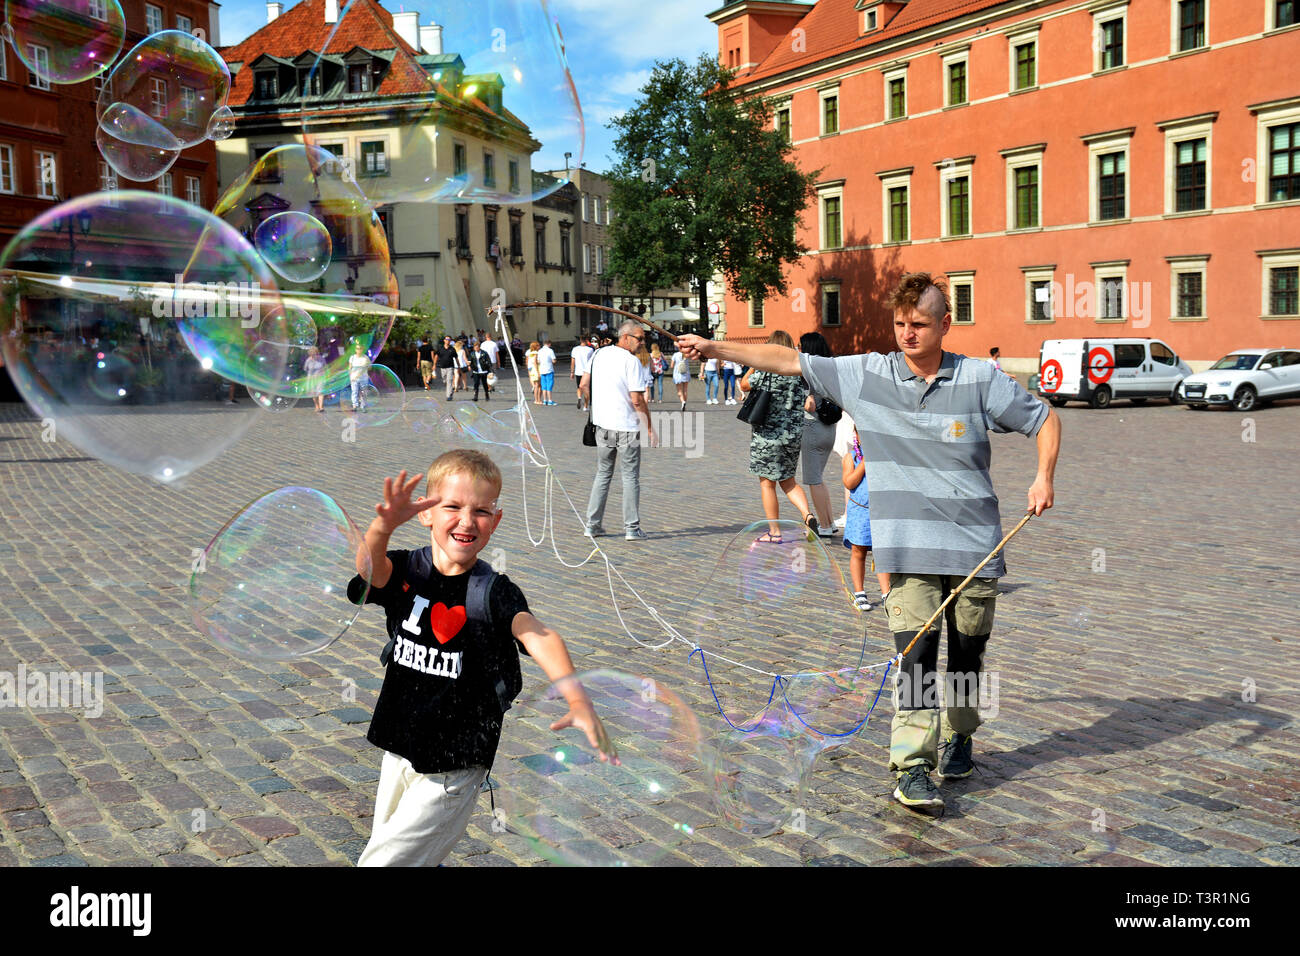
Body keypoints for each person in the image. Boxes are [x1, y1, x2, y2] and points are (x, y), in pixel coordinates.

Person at [678, 271, 1060, 812]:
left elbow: (1045, 420)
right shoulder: (867, 374)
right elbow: (787, 360)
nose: (907, 334)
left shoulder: (980, 379)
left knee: (968, 656)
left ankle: (961, 734)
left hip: (975, 548)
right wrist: (713, 345)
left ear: (945, 325)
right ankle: (911, 767)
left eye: (920, 325)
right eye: (900, 324)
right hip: (905, 549)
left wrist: (1044, 476)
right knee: (917, 658)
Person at [347, 454, 616, 866]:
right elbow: (370, 572)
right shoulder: (406, 568)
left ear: (497, 517)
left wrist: (577, 700)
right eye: (452, 507)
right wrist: (383, 525)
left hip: (455, 765)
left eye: (482, 510)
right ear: (425, 513)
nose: (467, 521)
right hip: (399, 747)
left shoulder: (493, 591)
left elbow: (540, 636)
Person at [580, 321, 657, 541]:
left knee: (603, 474)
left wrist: (596, 404)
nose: (642, 343)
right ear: (625, 337)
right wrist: (649, 428)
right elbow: (637, 400)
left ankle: (592, 525)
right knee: (630, 477)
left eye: (643, 339)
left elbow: (584, 384)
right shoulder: (631, 361)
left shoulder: (599, 355)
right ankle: (631, 528)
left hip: (602, 425)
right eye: (639, 338)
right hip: (626, 427)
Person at [740, 330, 817, 542]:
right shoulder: (797, 370)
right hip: (792, 434)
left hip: (768, 435)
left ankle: (774, 532)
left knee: (767, 484)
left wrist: (755, 363)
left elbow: (744, 385)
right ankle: (807, 516)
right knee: (789, 481)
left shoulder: (768, 370)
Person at [842, 426, 893, 610]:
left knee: (882, 554)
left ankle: (886, 592)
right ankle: (859, 592)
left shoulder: (884, 457)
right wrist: (864, 462)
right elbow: (849, 482)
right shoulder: (851, 458)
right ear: (856, 435)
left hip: (881, 511)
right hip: (861, 511)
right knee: (858, 551)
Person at [798, 332, 837, 537]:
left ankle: (824, 525)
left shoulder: (809, 373)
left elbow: (809, 405)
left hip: (812, 428)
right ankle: (829, 522)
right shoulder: (829, 368)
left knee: (813, 479)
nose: (798, 349)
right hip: (829, 428)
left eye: (800, 346)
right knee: (819, 479)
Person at [571, 335, 596, 410]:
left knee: (579, 387)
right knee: (586, 389)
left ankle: (579, 397)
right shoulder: (590, 350)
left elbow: (573, 361)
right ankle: (585, 406)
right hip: (587, 372)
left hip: (578, 371)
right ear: (587, 340)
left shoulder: (575, 349)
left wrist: (572, 371)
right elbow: (593, 361)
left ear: (580, 340)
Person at [348, 340, 372, 412]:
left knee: (363, 392)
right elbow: (349, 368)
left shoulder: (366, 358)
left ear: (362, 349)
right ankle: (354, 406)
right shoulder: (352, 358)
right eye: (357, 348)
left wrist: (367, 365)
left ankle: (363, 406)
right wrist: (350, 376)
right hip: (354, 378)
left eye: (360, 348)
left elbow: (370, 367)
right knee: (354, 392)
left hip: (363, 378)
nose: (359, 350)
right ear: (355, 350)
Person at [304, 346, 326, 413]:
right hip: (311, 379)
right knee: (314, 393)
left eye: (315, 354)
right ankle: (317, 405)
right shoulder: (308, 360)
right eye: (312, 354)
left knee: (320, 392)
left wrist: (323, 373)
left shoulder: (321, 359)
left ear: (317, 353)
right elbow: (305, 369)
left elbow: (325, 367)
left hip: (320, 378)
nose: (314, 356)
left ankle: (321, 407)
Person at [537, 339, 558, 405]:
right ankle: (550, 400)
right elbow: (554, 360)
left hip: (542, 370)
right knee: (549, 385)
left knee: (544, 386)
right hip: (549, 369)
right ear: (549, 344)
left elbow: (538, 361)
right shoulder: (550, 350)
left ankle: (544, 400)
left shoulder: (539, 351)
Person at [435, 335, 457, 400]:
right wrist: (434, 365)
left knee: (449, 380)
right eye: (447, 339)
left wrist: (458, 365)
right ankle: (450, 390)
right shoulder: (440, 348)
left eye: (449, 340)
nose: (448, 341)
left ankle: (448, 396)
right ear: (444, 340)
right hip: (443, 367)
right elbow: (436, 356)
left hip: (450, 367)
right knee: (445, 381)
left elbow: (456, 357)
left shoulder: (452, 349)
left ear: (450, 341)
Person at [671, 345, 690, 411]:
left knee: (679, 391)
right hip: (686, 373)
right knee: (685, 390)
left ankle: (683, 402)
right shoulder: (687, 355)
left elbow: (672, 365)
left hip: (677, 374)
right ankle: (685, 403)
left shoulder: (675, 355)